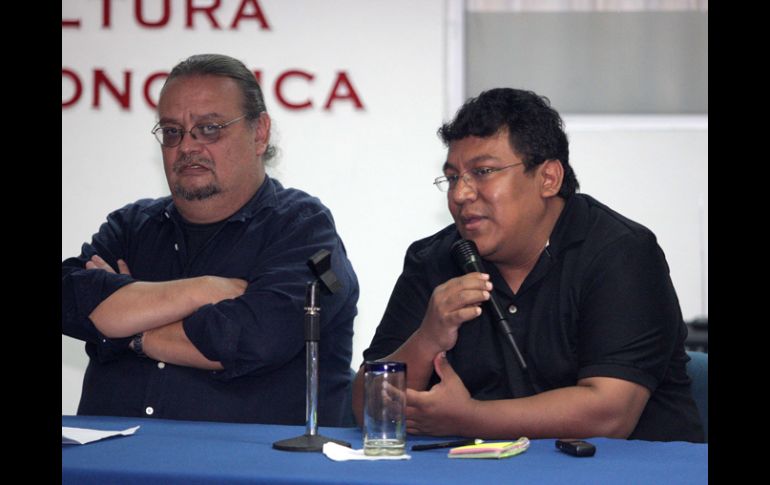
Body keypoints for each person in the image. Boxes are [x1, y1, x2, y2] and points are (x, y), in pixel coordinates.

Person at [352, 88, 704, 442]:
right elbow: (366, 412)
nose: (460, 194)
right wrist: (426, 339)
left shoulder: (620, 253)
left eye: (483, 171)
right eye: (453, 177)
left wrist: (470, 419)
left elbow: (609, 415)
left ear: (548, 178)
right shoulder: (434, 261)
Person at [61, 53, 359, 426]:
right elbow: (71, 300)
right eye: (172, 131)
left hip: (251, 471)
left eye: (210, 128)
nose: (187, 147)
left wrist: (128, 325)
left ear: (260, 133)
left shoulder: (301, 227)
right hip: (108, 467)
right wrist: (202, 290)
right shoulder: (131, 227)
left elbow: (253, 338)